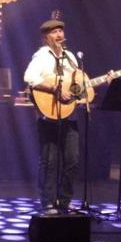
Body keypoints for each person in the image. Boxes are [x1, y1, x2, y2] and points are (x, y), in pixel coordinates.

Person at [22, 17, 80, 214]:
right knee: (50, 160)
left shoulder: (70, 57)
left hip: (69, 116)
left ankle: (64, 200)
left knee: (72, 159)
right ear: (46, 38)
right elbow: (29, 78)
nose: (59, 35)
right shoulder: (41, 56)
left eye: (61, 31)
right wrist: (54, 88)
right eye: (54, 32)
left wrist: (101, 81)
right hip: (49, 115)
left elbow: (77, 83)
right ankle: (47, 201)